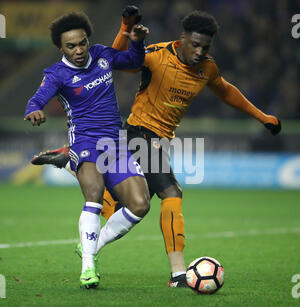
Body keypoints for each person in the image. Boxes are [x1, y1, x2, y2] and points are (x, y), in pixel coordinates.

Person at [31, 7, 281, 288]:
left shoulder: (207, 67)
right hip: (138, 133)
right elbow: (114, 61)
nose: (199, 52)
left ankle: (71, 165)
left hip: (156, 139)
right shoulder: (158, 54)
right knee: (171, 192)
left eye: (205, 47)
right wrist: (126, 29)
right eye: (195, 45)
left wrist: (262, 116)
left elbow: (224, 89)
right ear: (182, 39)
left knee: (128, 206)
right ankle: (177, 274)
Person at [24, 11, 151, 289]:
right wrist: (34, 109)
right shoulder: (57, 74)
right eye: (71, 46)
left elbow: (133, 60)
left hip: (115, 144)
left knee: (140, 205)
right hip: (84, 141)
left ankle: (91, 246)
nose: (79, 50)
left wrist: (137, 42)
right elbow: (37, 98)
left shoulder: (103, 55)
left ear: (87, 40)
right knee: (93, 195)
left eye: (82, 43)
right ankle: (88, 268)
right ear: (61, 48)